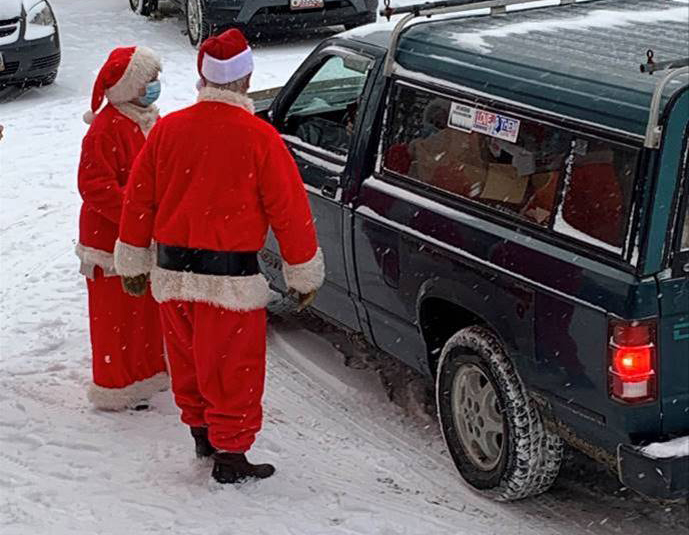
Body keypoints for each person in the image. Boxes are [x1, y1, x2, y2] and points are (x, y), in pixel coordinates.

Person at [114, 29, 324, 484]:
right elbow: (289, 209)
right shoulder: (259, 138)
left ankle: (202, 435)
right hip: (230, 281)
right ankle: (230, 456)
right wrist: (302, 272)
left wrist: (132, 262)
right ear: (245, 78)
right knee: (233, 367)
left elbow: (138, 200)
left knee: (187, 358)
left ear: (202, 77)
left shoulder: (168, 130)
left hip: (171, 274)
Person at [76, 46, 168, 411]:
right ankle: (115, 383)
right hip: (109, 241)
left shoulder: (152, 121)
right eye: (148, 80)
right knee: (113, 317)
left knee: (145, 311)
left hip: (144, 236)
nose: (155, 86)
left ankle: (146, 374)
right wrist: (136, 215)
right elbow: (95, 186)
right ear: (130, 86)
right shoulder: (104, 129)